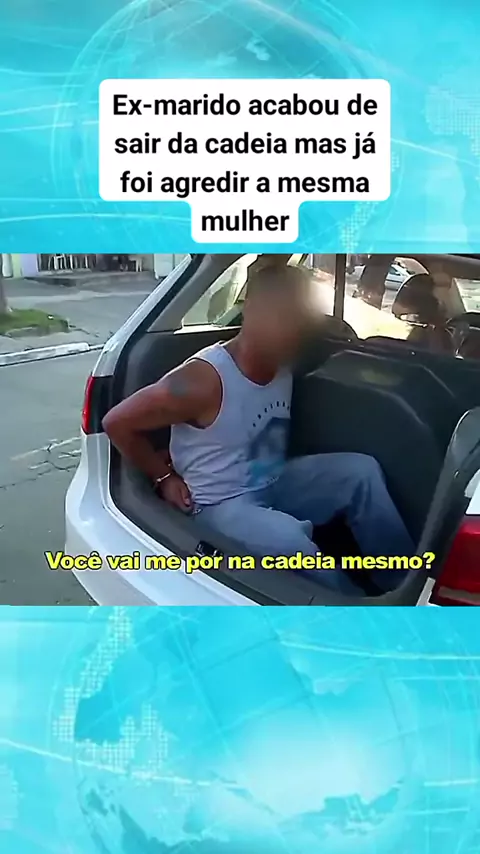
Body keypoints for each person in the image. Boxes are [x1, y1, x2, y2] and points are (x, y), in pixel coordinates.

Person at [103, 262, 415, 595]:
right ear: (250, 310)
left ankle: (401, 584)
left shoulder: (285, 361)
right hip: (219, 505)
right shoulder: (202, 380)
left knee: (361, 472)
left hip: (273, 480)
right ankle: (362, 611)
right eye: (279, 316)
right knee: (291, 543)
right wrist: (163, 477)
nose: (289, 330)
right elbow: (117, 422)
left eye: (296, 320)